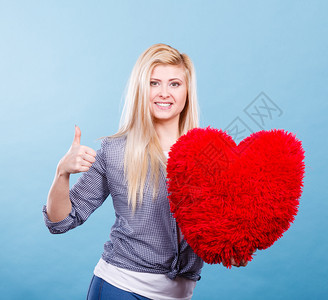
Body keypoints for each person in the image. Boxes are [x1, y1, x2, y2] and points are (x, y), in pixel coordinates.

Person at [43, 43, 249, 300]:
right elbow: (60, 221)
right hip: (120, 289)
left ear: (187, 92)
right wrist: (62, 172)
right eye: (154, 83)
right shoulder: (115, 150)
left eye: (174, 83)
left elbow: (218, 227)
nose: (164, 93)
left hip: (181, 294)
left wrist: (235, 249)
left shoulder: (210, 155)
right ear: (141, 90)